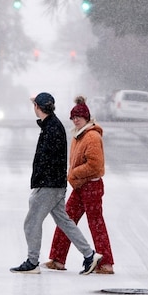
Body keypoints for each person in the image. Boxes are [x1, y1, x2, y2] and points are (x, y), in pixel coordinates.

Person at [11, 92, 103, 275]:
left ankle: (32, 261)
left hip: (49, 185)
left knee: (31, 222)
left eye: (35, 106)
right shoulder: (52, 125)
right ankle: (89, 255)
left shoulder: (52, 128)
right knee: (65, 222)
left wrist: (42, 182)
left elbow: (49, 159)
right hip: (54, 184)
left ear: (38, 108)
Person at [43, 95, 115, 274]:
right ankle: (57, 259)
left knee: (96, 223)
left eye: (79, 117)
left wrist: (74, 174)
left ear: (87, 118)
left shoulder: (91, 136)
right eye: (73, 117)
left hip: (91, 186)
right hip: (80, 186)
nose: (76, 120)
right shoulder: (79, 135)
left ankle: (106, 264)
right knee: (66, 220)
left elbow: (95, 165)